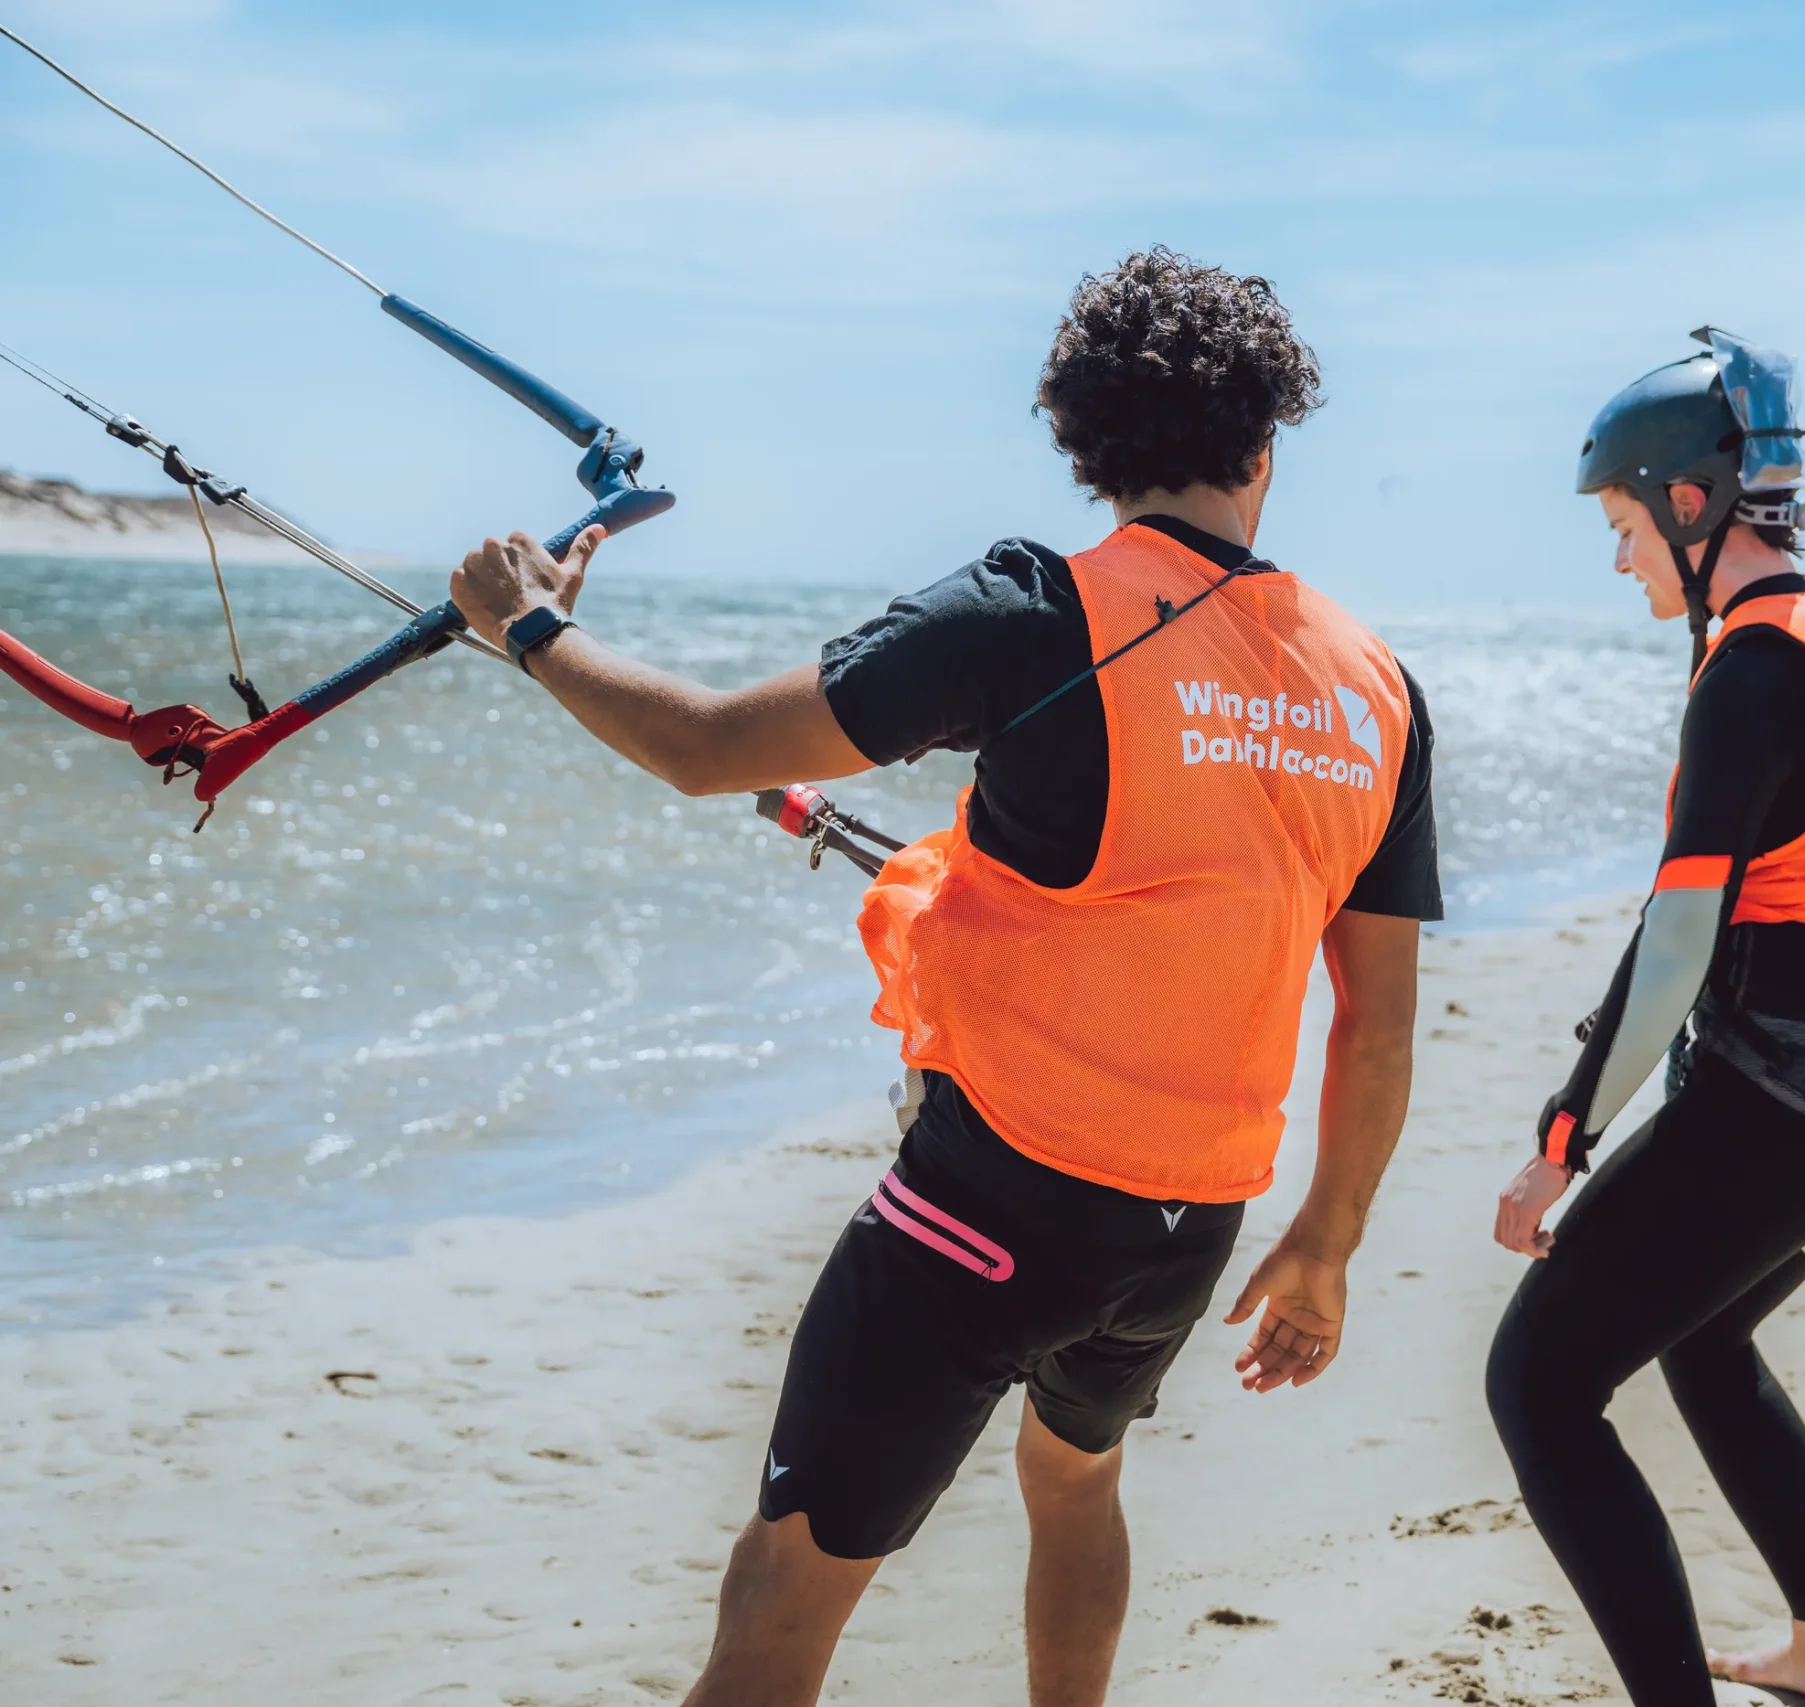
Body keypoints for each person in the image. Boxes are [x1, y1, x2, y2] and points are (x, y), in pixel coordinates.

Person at [448, 248, 1440, 1707]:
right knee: (1076, 1479)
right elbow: (1379, 1020)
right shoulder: (1378, 689)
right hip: (1188, 1226)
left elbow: (707, 747)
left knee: (785, 1580)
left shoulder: (1037, 610)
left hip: (988, 1211)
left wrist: (532, 626)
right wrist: (1329, 1240)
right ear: (1265, 446)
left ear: (1085, 443)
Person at [1483, 330, 1805, 1707]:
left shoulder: (1756, 671)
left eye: (1623, 523)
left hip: (1796, 1102)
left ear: (1690, 504)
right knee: (1701, 1338)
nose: (1621, 556)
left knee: (1537, 1382)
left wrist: (1563, 1140)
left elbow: (1679, 945)